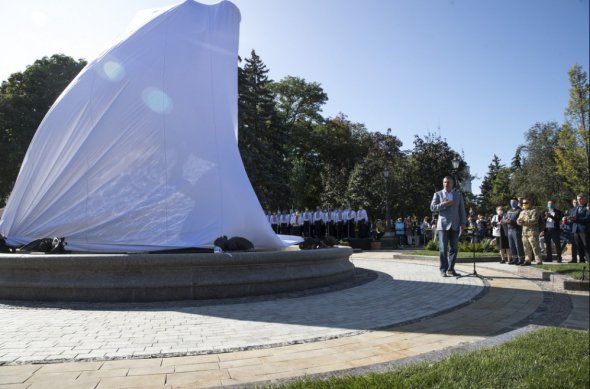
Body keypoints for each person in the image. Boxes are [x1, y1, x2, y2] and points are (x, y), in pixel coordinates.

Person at [430, 176, 467, 277]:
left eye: (448, 182)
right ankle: (443, 270)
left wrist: (463, 223)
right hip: (443, 226)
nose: (446, 184)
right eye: (445, 182)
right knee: (443, 249)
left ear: (452, 184)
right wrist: (444, 204)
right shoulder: (437, 194)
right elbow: (432, 208)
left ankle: (451, 269)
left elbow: (462, 210)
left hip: (455, 225)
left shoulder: (458, 195)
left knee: (454, 249)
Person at [516, 198, 542, 265]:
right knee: (526, 247)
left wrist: (524, 222)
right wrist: (519, 222)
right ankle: (527, 260)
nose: (524, 204)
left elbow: (534, 220)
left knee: (535, 247)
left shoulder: (534, 211)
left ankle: (538, 261)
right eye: (523, 203)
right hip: (524, 232)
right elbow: (518, 220)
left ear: (530, 203)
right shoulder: (522, 212)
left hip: (532, 232)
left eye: (526, 203)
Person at [569, 194, 589, 263]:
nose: (579, 201)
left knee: (586, 245)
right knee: (578, 246)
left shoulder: (587, 208)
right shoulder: (574, 208)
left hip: (584, 229)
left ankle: (588, 260)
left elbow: (587, 218)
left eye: (581, 199)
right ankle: (581, 260)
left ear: (584, 199)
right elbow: (572, 218)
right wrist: (569, 219)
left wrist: (576, 219)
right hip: (575, 229)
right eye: (578, 199)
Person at [505, 198, 525, 265]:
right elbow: (504, 219)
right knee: (511, 245)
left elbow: (521, 221)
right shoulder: (508, 211)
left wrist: (512, 222)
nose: (512, 203)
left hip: (516, 230)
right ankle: (515, 259)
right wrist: (505, 221)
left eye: (514, 202)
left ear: (517, 202)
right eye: (511, 202)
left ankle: (521, 259)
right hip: (509, 230)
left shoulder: (520, 210)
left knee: (518, 245)